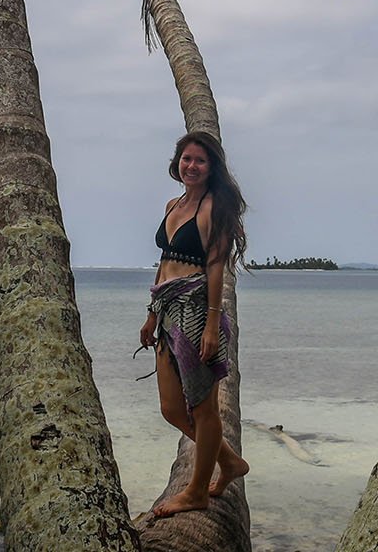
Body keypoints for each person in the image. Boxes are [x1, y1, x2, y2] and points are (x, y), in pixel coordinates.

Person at [139, 131, 251, 517]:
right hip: (167, 310)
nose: (191, 166)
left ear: (211, 167)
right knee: (172, 408)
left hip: (197, 311)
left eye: (200, 161)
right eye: (186, 159)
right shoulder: (174, 203)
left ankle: (197, 491)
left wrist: (211, 325)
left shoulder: (213, 206)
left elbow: (216, 266)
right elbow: (164, 261)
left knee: (204, 411)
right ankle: (230, 462)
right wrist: (152, 313)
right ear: (177, 162)